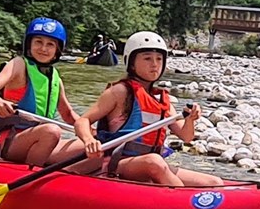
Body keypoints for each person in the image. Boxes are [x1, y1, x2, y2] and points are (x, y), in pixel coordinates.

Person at [70, 31, 221, 187]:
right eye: (147, 58)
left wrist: (190, 120)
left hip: (150, 163)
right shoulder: (120, 91)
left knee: (214, 182)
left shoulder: (163, 100)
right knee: (154, 162)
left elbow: (186, 137)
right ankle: (184, 204)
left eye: (159, 59)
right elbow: (83, 120)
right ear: (132, 63)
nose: (154, 64)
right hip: (117, 162)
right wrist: (88, 140)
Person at [0, 17, 81, 165]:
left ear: (57, 50)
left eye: (50, 44)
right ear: (29, 44)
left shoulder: (55, 79)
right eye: (38, 42)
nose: (44, 48)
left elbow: (67, 114)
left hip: (44, 140)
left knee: (93, 148)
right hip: (14, 141)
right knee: (52, 131)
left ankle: (60, 181)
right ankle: (29, 175)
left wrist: (90, 131)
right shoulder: (18, 65)